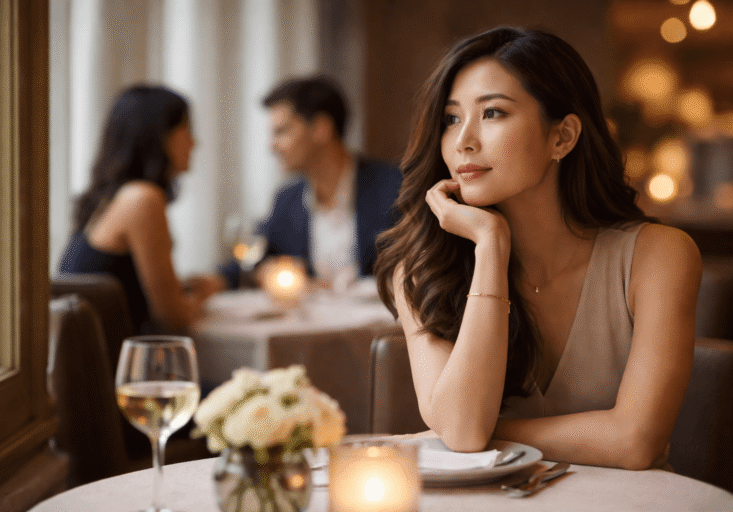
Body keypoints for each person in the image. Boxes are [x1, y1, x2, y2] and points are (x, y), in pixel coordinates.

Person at [374, 27, 702, 470]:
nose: (463, 141)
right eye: (451, 119)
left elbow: (634, 442)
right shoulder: (422, 269)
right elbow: (465, 429)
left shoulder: (659, 257)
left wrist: (481, 433)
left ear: (562, 137)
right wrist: (491, 247)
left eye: (492, 113)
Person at [58, 84, 222, 334]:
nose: (194, 142)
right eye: (186, 129)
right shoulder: (142, 199)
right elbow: (174, 319)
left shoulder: (108, 201)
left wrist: (184, 287)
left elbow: (128, 290)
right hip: (122, 368)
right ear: (158, 135)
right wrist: (204, 295)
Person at [218, 75, 402, 290]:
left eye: (281, 132)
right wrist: (216, 281)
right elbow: (253, 258)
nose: (272, 146)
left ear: (320, 129)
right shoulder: (288, 199)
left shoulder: (395, 188)